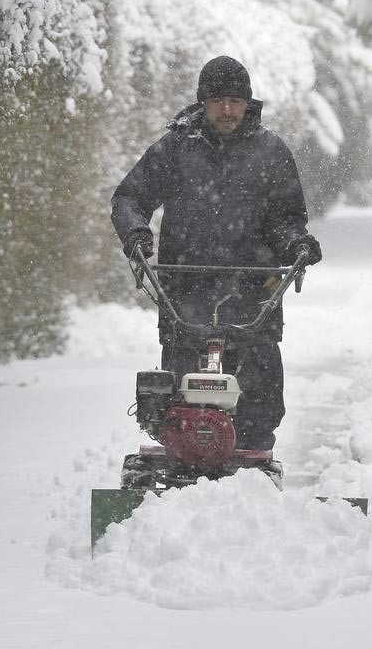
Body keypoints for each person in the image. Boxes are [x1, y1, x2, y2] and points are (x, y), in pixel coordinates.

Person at [110, 55, 322, 450]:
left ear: (248, 103)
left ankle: (251, 463)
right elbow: (129, 197)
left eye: (236, 101)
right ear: (202, 102)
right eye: (218, 100)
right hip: (186, 288)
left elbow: (286, 219)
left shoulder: (270, 152)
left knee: (259, 391)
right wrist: (136, 235)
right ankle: (182, 452)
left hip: (253, 289)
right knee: (179, 392)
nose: (227, 110)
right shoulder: (176, 149)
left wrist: (297, 243)